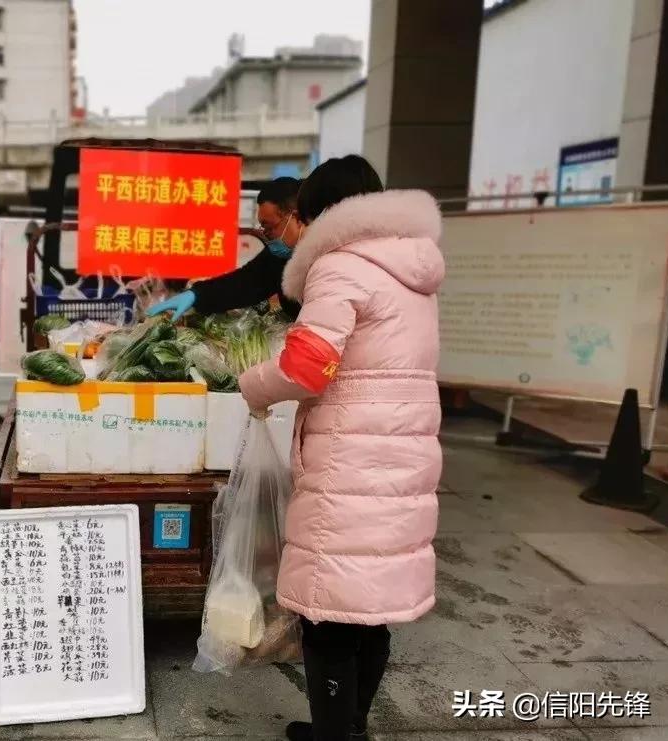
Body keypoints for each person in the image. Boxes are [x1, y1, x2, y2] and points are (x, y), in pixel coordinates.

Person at [238, 155, 443, 741]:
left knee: (329, 615)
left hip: (352, 453)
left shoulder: (341, 265)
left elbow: (306, 368)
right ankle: (350, 726)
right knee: (370, 609)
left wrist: (253, 385)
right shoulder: (413, 271)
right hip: (402, 453)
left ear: (323, 214)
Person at [147, 176, 304, 320]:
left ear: (295, 218)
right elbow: (244, 283)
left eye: (269, 227)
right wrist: (197, 295)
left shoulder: (324, 261)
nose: (266, 235)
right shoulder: (279, 258)